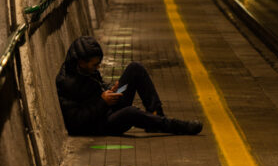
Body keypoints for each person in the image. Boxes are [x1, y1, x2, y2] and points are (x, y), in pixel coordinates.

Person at [55, 36, 203, 136]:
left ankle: (156, 114)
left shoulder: (84, 70)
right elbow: (75, 123)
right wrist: (102, 102)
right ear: (81, 62)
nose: (98, 68)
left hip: (108, 106)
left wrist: (111, 89)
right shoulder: (67, 84)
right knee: (131, 112)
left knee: (134, 69)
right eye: (95, 65)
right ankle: (173, 125)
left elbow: (97, 87)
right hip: (102, 123)